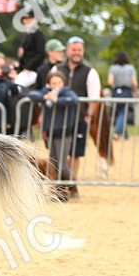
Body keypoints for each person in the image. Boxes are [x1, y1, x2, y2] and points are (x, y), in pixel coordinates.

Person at [54, 36, 102, 180]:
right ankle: (59, 185)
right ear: (67, 51)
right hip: (59, 119)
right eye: (74, 49)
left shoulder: (90, 72)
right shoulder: (57, 69)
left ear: (83, 51)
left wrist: (88, 117)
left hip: (79, 119)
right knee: (58, 153)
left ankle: (71, 184)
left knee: (75, 153)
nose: (76, 52)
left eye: (79, 50)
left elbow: (94, 98)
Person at [28, 70, 79, 201]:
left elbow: (74, 100)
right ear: (49, 84)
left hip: (64, 133)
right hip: (51, 133)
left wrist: (58, 100)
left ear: (63, 83)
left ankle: (73, 188)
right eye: (54, 83)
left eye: (59, 82)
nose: (57, 85)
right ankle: (61, 193)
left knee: (62, 165)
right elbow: (32, 94)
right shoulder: (46, 93)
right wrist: (44, 97)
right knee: (55, 164)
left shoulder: (67, 92)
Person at [108, 51, 139, 139]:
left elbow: (110, 82)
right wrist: (135, 91)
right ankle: (117, 132)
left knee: (120, 113)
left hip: (116, 91)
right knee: (123, 113)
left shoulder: (113, 68)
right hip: (126, 91)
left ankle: (125, 134)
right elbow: (134, 83)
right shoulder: (130, 68)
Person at [15, 8, 48, 76]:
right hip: (24, 68)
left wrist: (28, 67)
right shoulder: (27, 34)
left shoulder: (38, 33)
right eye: (25, 19)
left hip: (34, 69)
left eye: (29, 19)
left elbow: (41, 53)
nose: (26, 21)